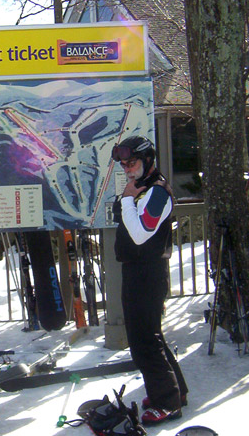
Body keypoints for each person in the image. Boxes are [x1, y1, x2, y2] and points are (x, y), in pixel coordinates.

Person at [111, 135, 188, 425]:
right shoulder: (143, 188)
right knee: (150, 337)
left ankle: (167, 402)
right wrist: (129, 198)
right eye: (124, 165)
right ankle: (174, 392)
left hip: (148, 272)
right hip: (138, 270)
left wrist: (127, 199)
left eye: (132, 163)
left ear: (147, 161)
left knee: (144, 341)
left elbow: (142, 232)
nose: (128, 169)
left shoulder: (157, 192)